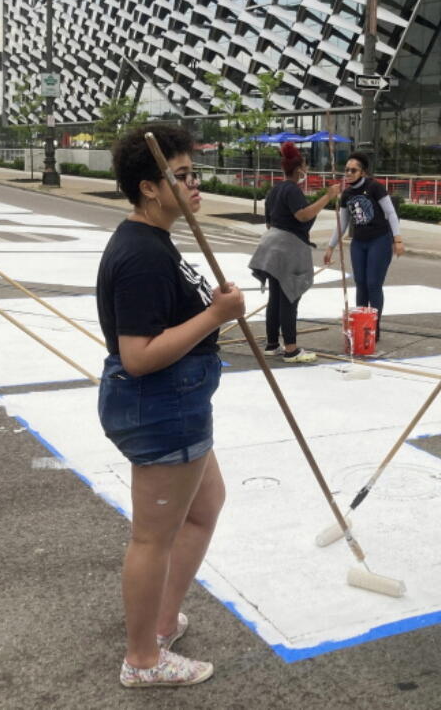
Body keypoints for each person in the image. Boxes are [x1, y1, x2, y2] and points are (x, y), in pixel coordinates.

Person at [96, 125, 245, 688]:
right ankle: (142, 660)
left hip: (180, 401)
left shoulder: (157, 241)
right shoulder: (140, 254)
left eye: (193, 173)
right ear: (149, 188)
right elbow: (137, 355)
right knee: (152, 536)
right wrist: (214, 317)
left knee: (206, 505)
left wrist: (207, 306)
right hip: (160, 404)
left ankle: (161, 622)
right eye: (180, 175)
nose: (194, 184)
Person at [249, 142, 339, 363]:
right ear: (299, 168)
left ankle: (272, 344)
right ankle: (291, 349)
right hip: (288, 249)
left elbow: (270, 224)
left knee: (276, 298)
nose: (307, 169)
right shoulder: (291, 189)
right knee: (289, 298)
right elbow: (303, 215)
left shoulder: (275, 190)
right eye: (306, 165)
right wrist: (328, 196)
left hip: (271, 246)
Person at [322, 152, 403, 341]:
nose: (348, 173)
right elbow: (342, 223)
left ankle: (374, 328)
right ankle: (361, 326)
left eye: (353, 170)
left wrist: (397, 240)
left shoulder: (375, 187)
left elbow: (391, 213)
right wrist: (330, 246)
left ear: (363, 172)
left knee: (373, 284)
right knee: (360, 284)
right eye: (347, 170)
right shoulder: (347, 194)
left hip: (379, 240)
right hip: (359, 242)